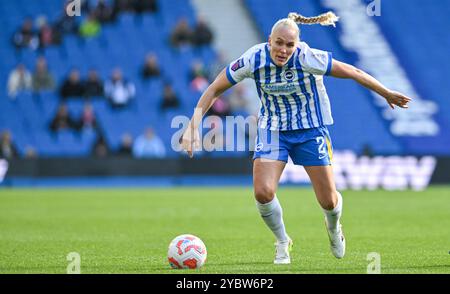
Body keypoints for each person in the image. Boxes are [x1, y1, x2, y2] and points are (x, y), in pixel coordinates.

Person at [181, 11, 411, 264]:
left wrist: (385, 92)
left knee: (329, 200)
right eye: (279, 43)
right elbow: (215, 88)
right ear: (270, 40)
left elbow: (352, 70)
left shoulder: (306, 57)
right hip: (273, 130)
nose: (283, 49)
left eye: (289, 45)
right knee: (263, 192)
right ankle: (282, 241)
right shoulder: (253, 59)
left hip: (310, 130)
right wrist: (193, 126)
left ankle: (334, 228)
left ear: (296, 45)